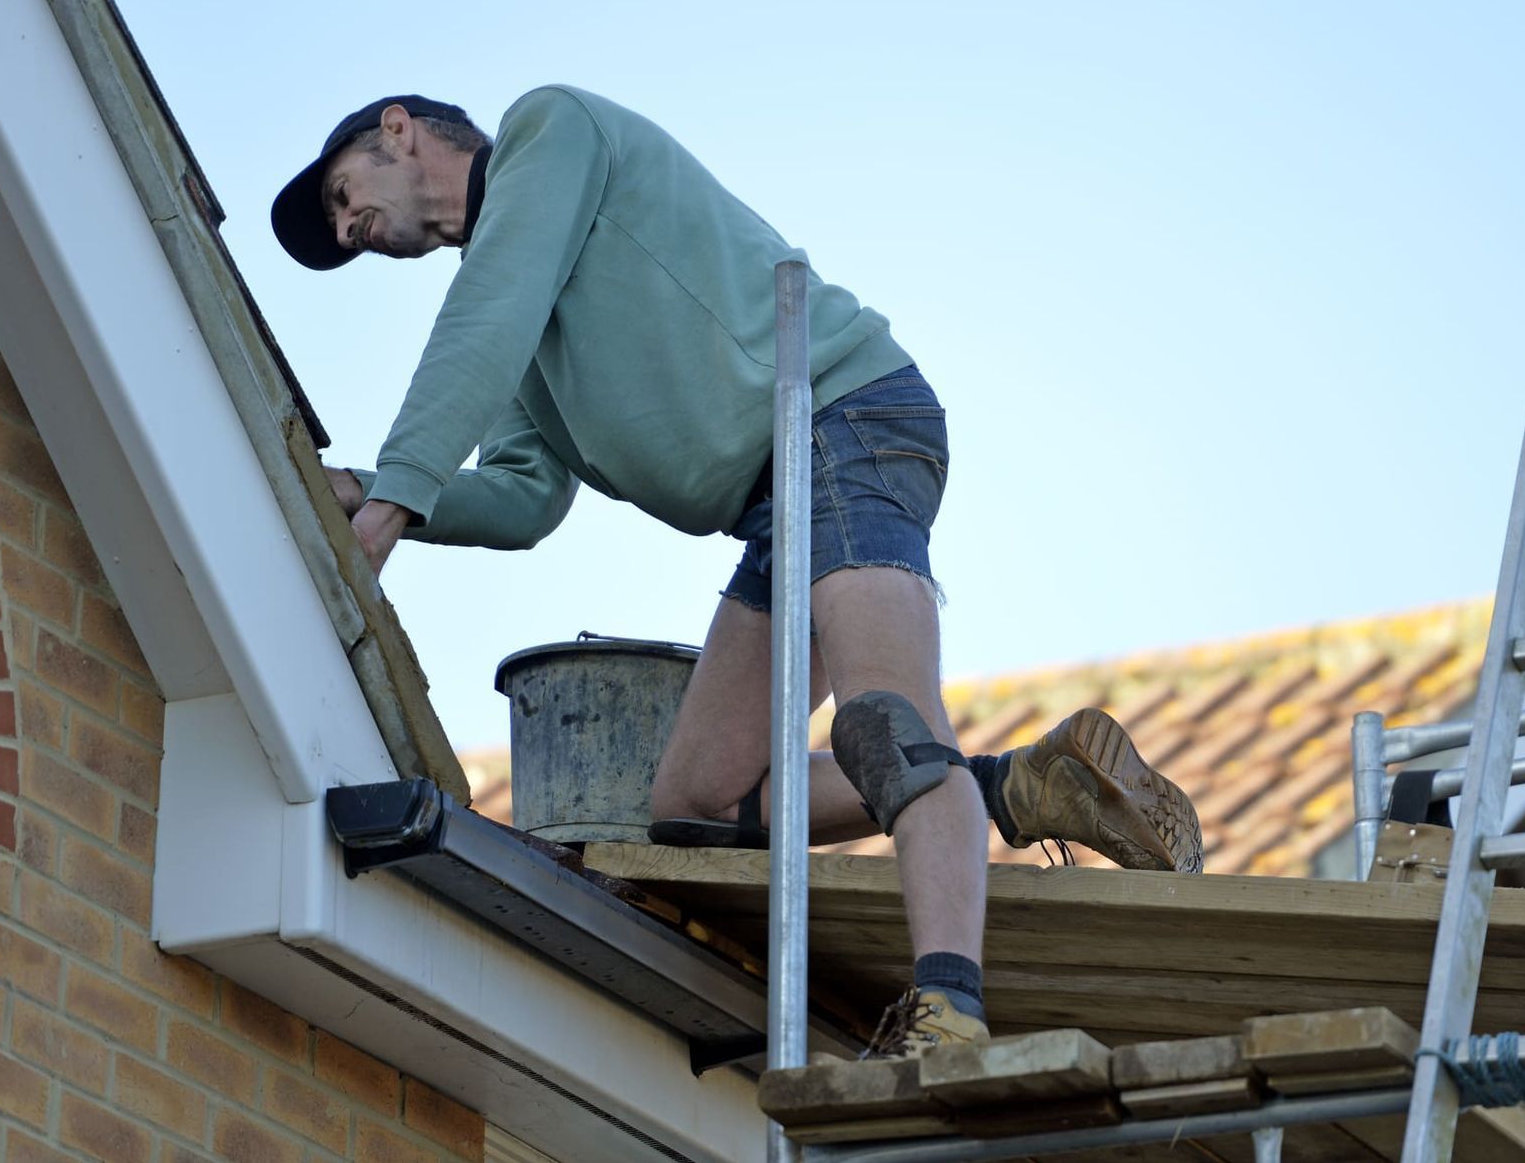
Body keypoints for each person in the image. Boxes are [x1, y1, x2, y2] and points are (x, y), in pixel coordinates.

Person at [272, 86, 1202, 1058]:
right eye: (340, 230)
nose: (350, 229)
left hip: (844, 421)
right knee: (696, 804)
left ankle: (949, 1013)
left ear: (397, 131)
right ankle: (1027, 788)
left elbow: (489, 305)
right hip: (778, 504)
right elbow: (520, 498)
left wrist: (394, 501)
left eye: (343, 196)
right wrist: (368, 490)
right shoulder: (522, 319)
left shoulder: (549, 134)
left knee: (887, 724)